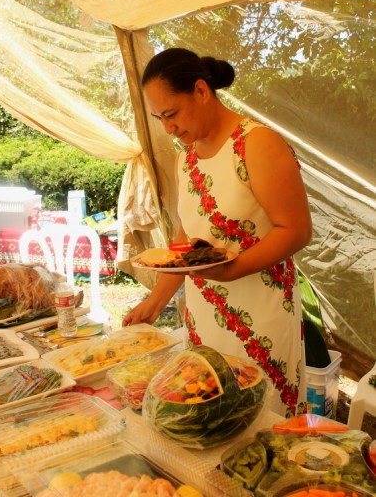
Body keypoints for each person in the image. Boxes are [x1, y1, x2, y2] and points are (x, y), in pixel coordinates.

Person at [123, 47, 312, 417]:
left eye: (172, 114)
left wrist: (231, 270)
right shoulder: (186, 156)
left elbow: (297, 230)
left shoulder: (256, 143)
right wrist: (155, 301)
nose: (168, 128)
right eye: (159, 117)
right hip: (204, 315)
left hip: (260, 317)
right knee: (211, 413)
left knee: (262, 419)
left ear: (201, 91)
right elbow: (186, 236)